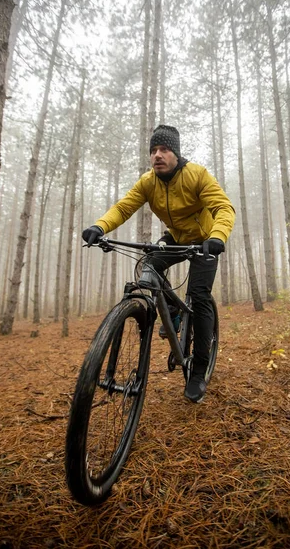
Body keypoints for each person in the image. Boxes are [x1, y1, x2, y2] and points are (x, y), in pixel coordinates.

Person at [82, 124, 236, 403]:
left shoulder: (197, 175)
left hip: (204, 241)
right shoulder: (148, 181)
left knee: (199, 297)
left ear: (176, 154)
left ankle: (199, 370)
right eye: (153, 150)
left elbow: (223, 208)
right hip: (176, 238)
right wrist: (100, 226)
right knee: (148, 267)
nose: (157, 155)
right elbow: (123, 207)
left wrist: (217, 236)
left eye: (164, 149)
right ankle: (174, 314)